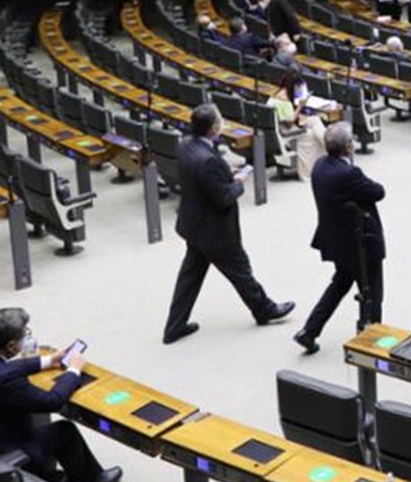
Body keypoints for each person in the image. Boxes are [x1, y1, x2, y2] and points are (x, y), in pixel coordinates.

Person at [162, 104, 293, 344]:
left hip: (194, 225)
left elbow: (205, 183)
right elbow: (223, 198)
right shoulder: (209, 161)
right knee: (241, 272)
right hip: (216, 231)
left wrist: (224, 178)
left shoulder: (185, 146)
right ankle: (264, 309)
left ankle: (174, 326)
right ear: (213, 128)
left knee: (189, 279)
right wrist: (240, 181)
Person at [0, 308, 122, 482]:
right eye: (24, 335)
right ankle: (94, 480)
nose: (26, 338)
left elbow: (1, 367)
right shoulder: (5, 379)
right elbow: (53, 401)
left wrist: (49, 361)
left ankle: (53, 476)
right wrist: (74, 371)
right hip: (3, 451)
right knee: (65, 431)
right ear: (11, 346)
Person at [294, 123, 386, 354]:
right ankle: (370, 339)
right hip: (359, 242)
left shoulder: (320, 166)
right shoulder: (348, 173)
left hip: (336, 239)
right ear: (347, 147)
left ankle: (310, 330)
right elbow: (377, 191)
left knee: (340, 284)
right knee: (373, 293)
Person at [267, 70, 325, 182]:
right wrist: (300, 106)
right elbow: (289, 123)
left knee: (315, 120)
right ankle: (307, 173)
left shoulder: (277, 94)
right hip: (284, 131)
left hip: (278, 127)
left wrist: (301, 117)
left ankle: (328, 145)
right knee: (310, 134)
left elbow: (286, 118)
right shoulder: (284, 99)